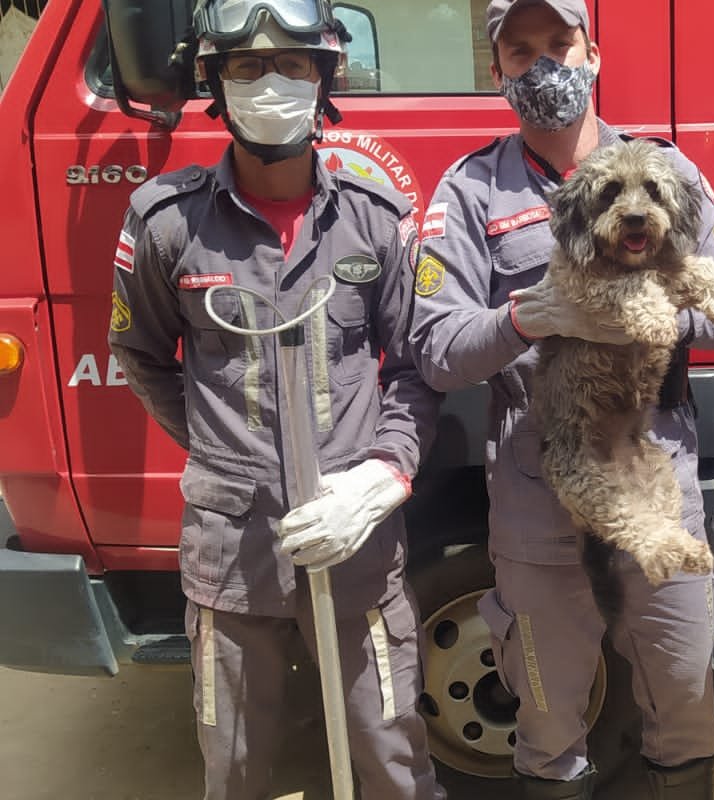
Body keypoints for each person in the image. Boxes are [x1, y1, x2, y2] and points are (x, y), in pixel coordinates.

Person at [408, 1, 714, 796]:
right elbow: (435, 349)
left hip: (655, 483)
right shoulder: (470, 191)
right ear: (495, 69)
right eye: (519, 51)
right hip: (539, 497)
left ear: (592, 52)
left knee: (686, 707)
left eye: (559, 45)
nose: (543, 67)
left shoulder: (670, 172)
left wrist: (662, 305)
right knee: (547, 727)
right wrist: (524, 317)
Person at [107, 2, 445, 797]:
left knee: (393, 757)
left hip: (358, 548)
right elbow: (143, 356)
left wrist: (384, 478)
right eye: (247, 67)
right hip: (232, 556)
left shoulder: (374, 221)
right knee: (236, 769)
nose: (271, 84)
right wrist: (225, 460)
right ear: (214, 85)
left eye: (293, 65)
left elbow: (417, 369)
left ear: (325, 77)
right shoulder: (167, 224)